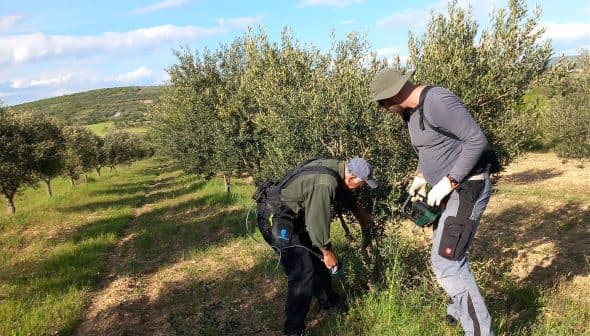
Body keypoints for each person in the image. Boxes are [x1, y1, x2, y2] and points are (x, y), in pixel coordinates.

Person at [370, 68, 495, 336]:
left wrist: (449, 181)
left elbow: (477, 140)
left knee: (447, 262)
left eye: (382, 102)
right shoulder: (411, 114)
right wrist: (420, 176)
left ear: (394, 93)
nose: (383, 108)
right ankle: (459, 311)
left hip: (468, 187)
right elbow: (430, 150)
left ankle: (479, 331)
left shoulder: (437, 101)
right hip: (449, 193)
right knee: (447, 256)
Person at [254, 157, 377, 336]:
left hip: (292, 218)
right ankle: (293, 330)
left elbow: (343, 191)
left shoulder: (337, 168)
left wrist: (358, 211)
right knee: (302, 272)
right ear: (351, 178)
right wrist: (327, 251)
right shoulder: (324, 184)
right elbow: (316, 222)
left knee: (316, 263)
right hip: (277, 221)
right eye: (363, 183)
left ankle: (328, 301)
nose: (363, 187)